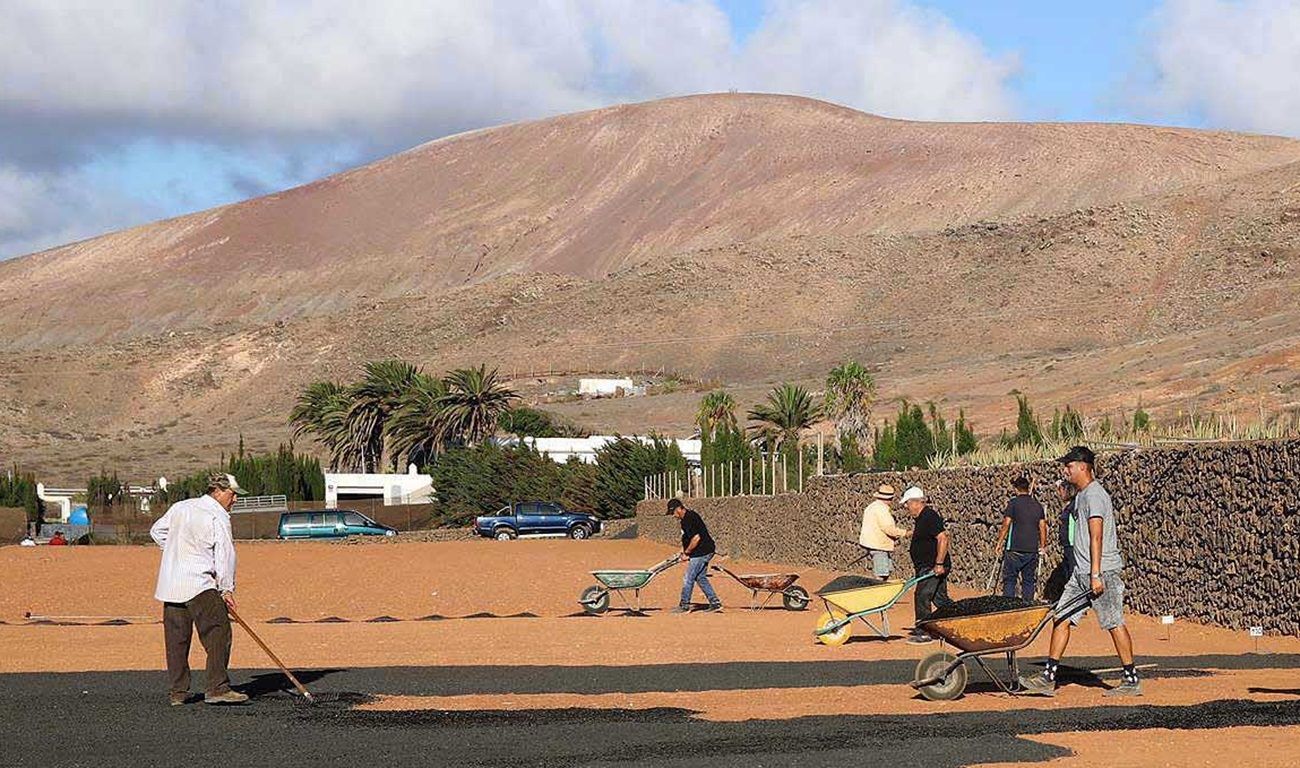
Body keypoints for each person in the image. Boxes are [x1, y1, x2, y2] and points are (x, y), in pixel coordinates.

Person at [1020, 446, 1142, 698]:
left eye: (1069, 466)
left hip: (1101, 572)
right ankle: (1048, 678)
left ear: (1083, 467)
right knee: (1061, 617)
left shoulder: (1096, 495)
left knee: (1113, 622)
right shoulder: (1081, 495)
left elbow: (1096, 535)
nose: (1065, 471)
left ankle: (1131, 679)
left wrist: (1096, 575)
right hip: (1081, 573)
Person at [150, 472, 249, 706]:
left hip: (171, 584)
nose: (234, 500)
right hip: (199, 584)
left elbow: (156, 531)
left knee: (177, 640)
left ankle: (178, 692)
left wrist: (178, 552)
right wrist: (226, 588)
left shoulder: (180, 507)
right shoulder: (218, 515)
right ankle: (217, 688)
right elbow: (225, 554)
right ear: (219, 491)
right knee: (218, 632)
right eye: (233, 495)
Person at [903, 486, 953, 644]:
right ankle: (959, 622)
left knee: (922, 595)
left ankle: (923, 632)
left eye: (907, 503)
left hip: (932, 566)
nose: (906, 507)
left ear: (916, 502)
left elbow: (943, 538)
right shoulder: (922, 518)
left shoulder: (929, 516)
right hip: (928, 565)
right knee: (940, 600)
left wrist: (938, 563)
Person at [666, 498, 722, 613]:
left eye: (672, 513)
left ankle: (684, 605)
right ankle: (715, 603)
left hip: (702, 551)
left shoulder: (689, 519)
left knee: (688, 577)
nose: (673, 516)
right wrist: (683, 551)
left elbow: (696, 538)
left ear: (678, 509)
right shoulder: (686, 519)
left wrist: (687, 553)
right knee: (700, 577)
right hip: (704, 550)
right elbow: (688, 538)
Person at [996, 476, 1046, 600]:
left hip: (1014, 549)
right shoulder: (1037, 505)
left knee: (1010, 580)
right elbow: (1042, 527)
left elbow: (1006, 524)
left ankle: (1008, 606)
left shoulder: (1013, 504)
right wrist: (1043, 546)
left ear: (1016, 489)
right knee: (1028, 581)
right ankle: (1027, 606)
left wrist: (999, 543)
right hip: (1031, 550)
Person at [858, 484, 908, 578]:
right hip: (879, 545)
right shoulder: (882, 510)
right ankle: (878, 591)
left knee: (886, 570)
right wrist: (905, 533)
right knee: (881, 574)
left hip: (873, 544)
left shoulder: (872, 506)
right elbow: (888, 529)